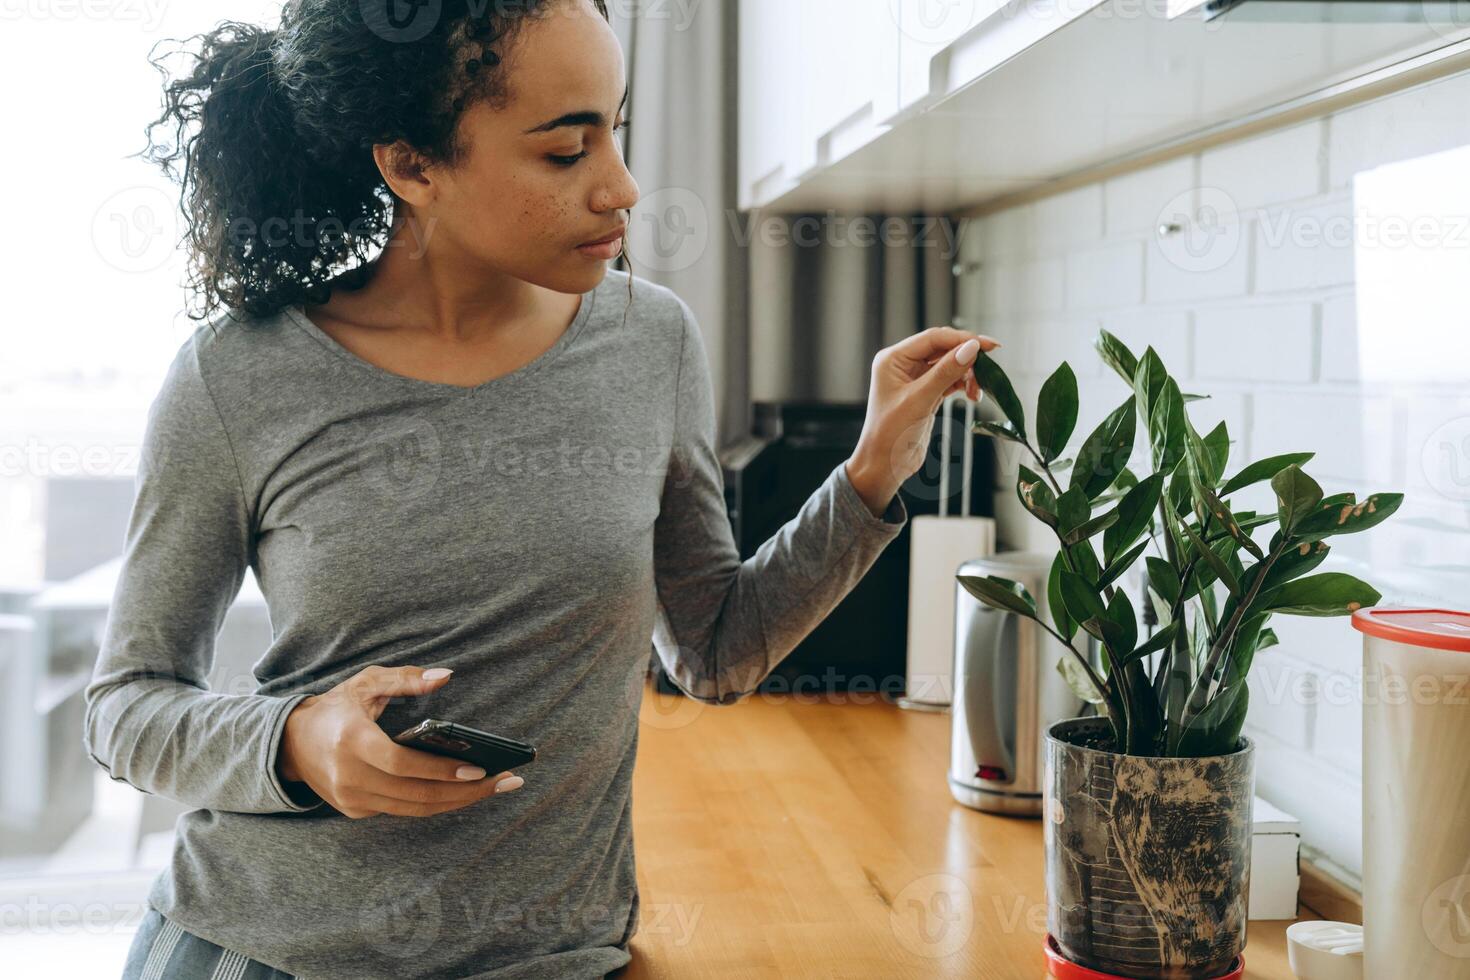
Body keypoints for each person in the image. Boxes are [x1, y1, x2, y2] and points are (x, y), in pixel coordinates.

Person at [83, 1, 997, 977]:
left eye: (618, 131)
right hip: (263, 949)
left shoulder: (651, 342)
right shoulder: (237, 375)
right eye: (567, 152)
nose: (625, 188)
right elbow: (124, 708)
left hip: (551, 959)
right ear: (411, 165)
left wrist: (870, 476)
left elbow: (716, 650)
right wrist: (297, 740)